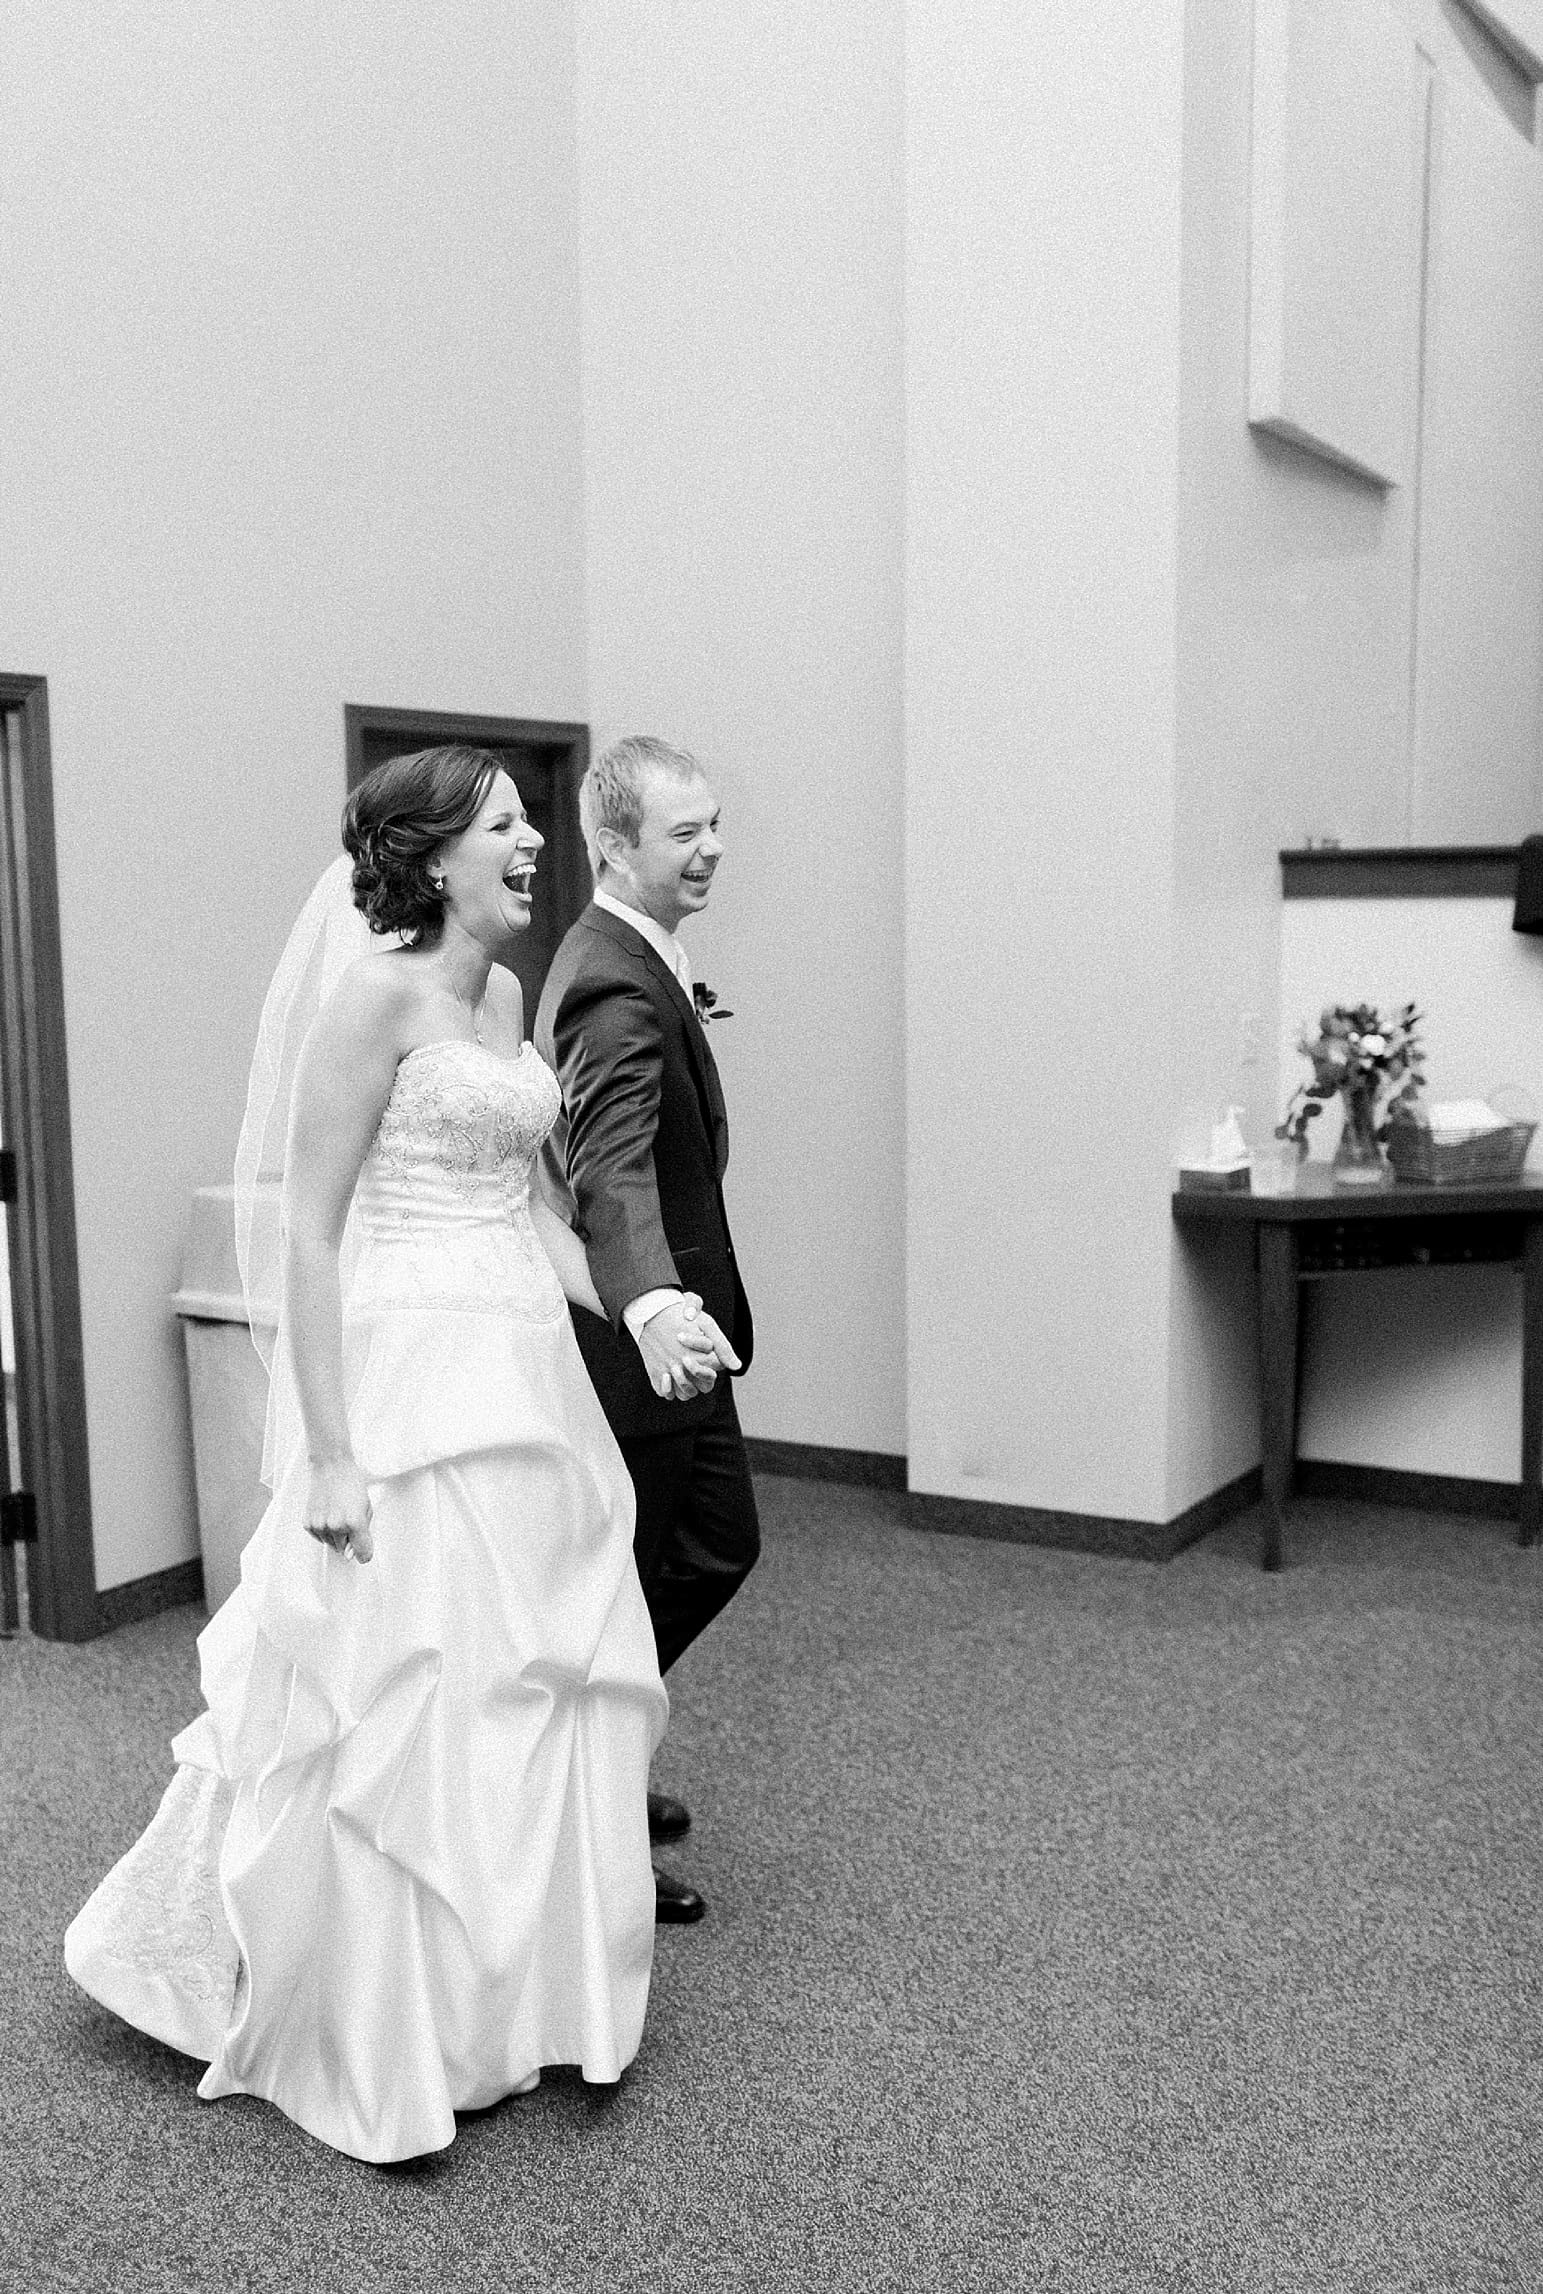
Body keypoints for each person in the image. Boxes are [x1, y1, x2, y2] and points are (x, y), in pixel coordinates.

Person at [65, 745, 690, 2166]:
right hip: (407, 1378)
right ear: (431, 858)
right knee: (401, 1687)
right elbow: (312, 1232)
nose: (536, 840)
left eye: (531, 821)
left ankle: (505, 2002)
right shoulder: (370, 1001)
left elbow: (524, 1212)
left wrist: (637, 1306)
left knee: (524, 1684)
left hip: (520, 1368)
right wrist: (333, 1452)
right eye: (506, 824)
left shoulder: (508, 996)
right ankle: (369, 2021)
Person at [534, 735, 759, 1925]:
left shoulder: (634, 953)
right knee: (655, 1567)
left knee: (705, 1548)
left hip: (675, 1327)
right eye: (685, 832)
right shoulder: (616, 980)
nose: (713, 845)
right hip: (646, 1341)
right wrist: (656, 1302)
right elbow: (609, 1162)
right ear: (614, 846)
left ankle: (602, 1750)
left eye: (715, 821)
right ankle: (581, 1787)